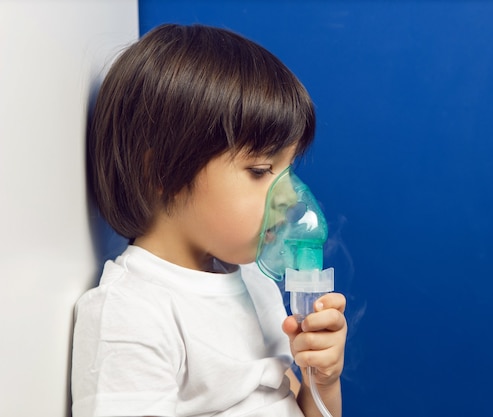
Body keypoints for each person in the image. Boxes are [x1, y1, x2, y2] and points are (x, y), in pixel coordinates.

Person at [71, 23, 347, 417]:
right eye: (261, 169)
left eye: (288, 170)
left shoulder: (255, 282)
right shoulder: (131, 314)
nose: (288, 197)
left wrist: (322, 379)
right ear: (164, 173)